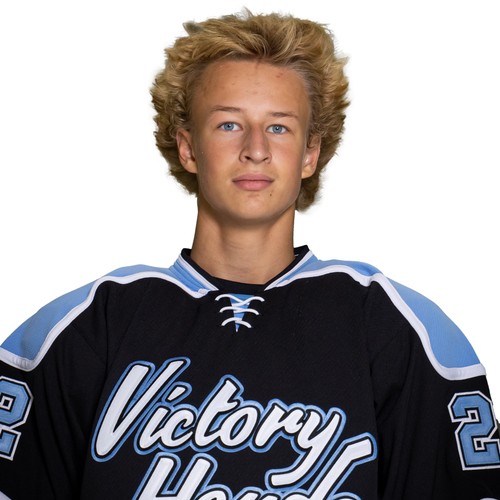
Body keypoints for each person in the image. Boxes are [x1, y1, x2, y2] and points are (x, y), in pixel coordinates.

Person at [0, 9, 499, 499]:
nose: (256, 149)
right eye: (228, 125)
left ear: (310, 153)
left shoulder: (396, 328)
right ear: (188, 147)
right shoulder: (89, 326)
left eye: (279, 127)